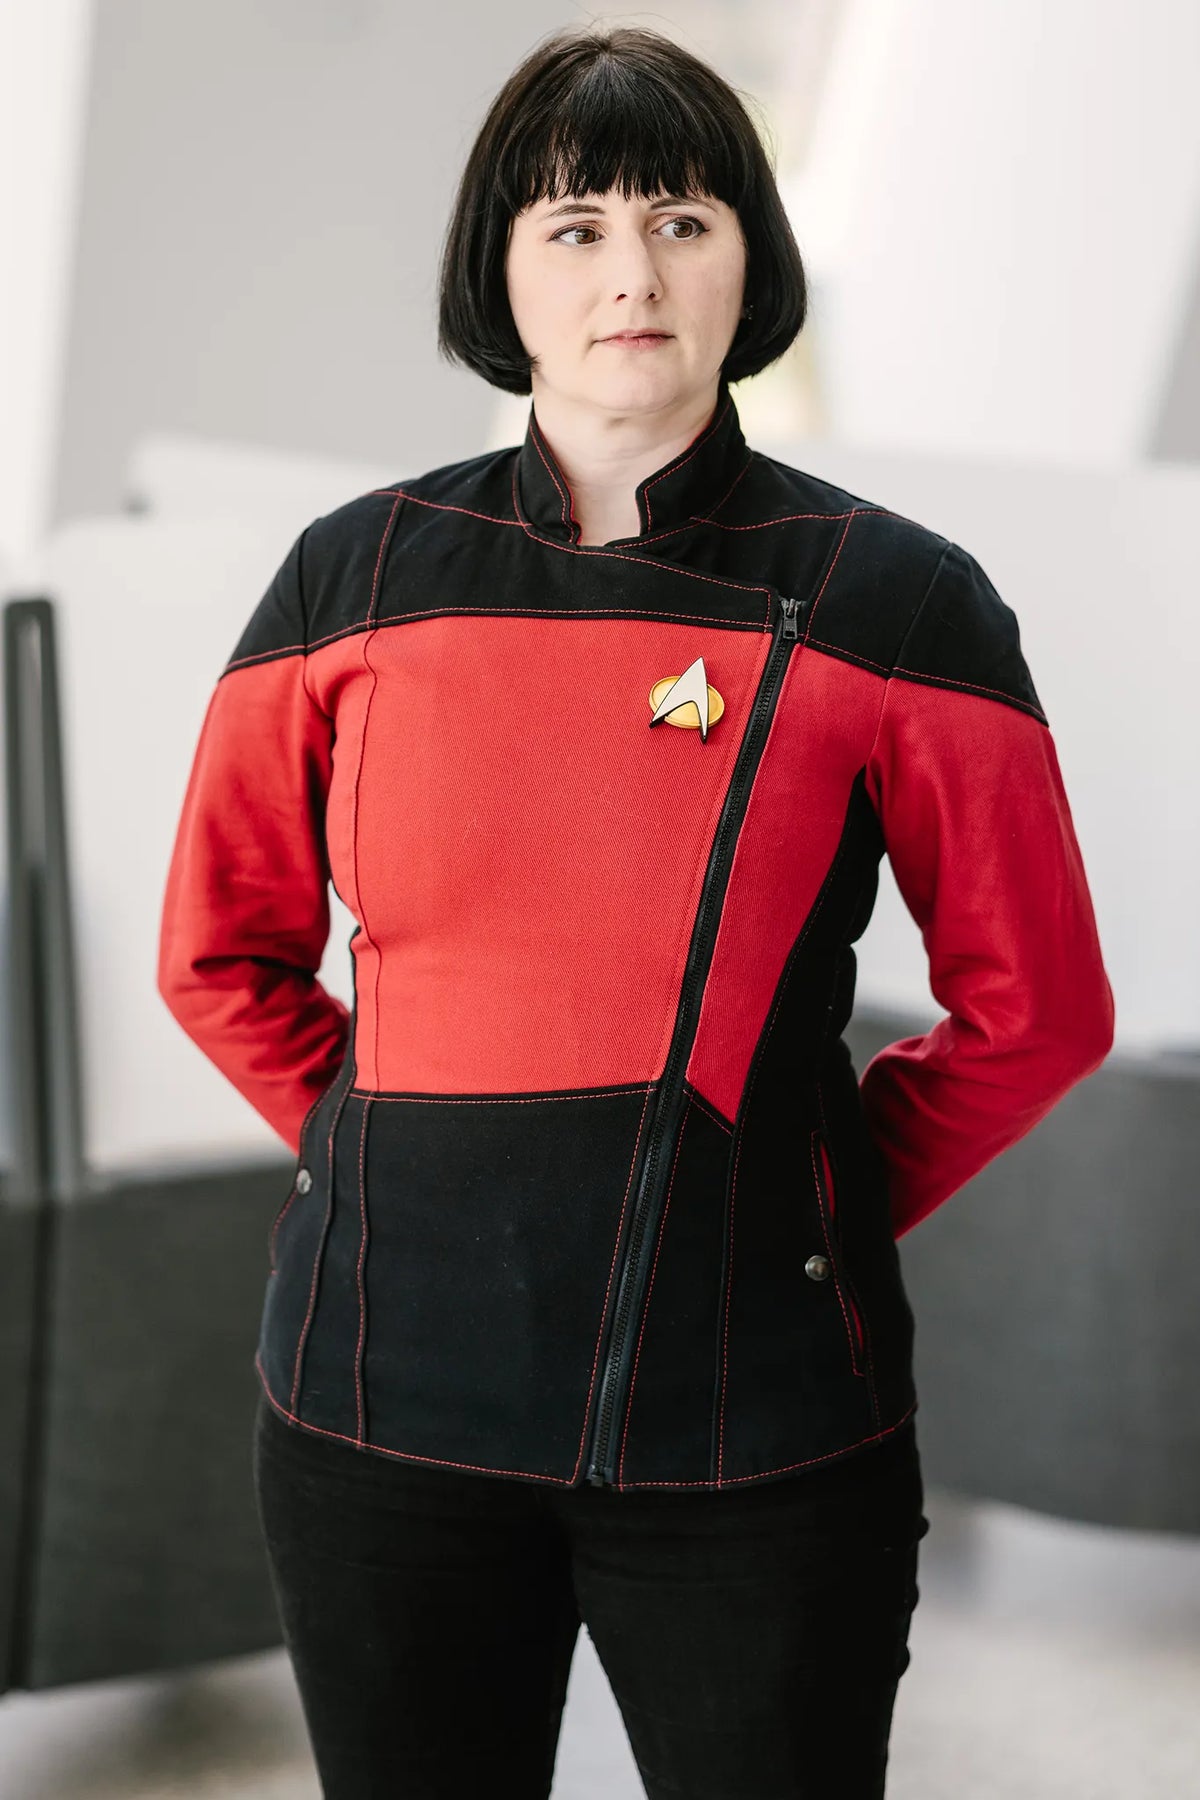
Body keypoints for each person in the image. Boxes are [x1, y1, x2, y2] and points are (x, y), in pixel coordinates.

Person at [156, 22, 1115, 1799]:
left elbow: (1039, 1011)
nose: (633, 274)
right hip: (377, 1414)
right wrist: (381, 1160)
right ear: (500, 271)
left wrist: (794, 1196)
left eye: (681, 219)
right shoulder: (349, 578)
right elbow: (219, 953)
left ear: (751, 255)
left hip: (760, 1428)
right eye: (575, 226)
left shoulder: (901, 601)